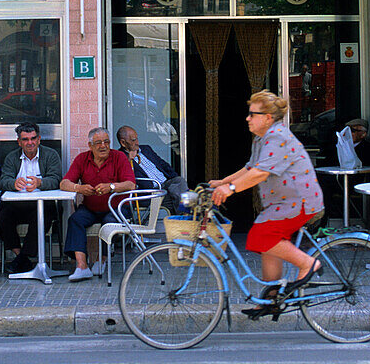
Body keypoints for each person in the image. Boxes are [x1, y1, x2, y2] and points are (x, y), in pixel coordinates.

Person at [210, 90, 326, 320]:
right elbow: (250, 168)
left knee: (261, 236)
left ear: (268, 118)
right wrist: (223, 182)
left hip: (299, 201)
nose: (247, 118)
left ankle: (309, 263)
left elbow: (260, 173)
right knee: (268, 242)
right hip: (283, 203)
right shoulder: (261, 138)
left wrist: (230, 190)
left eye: (253, 114)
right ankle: (273, 298)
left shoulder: (277, 137)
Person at [60, 127, 135, 281]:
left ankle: (102, 259)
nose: (103, 146)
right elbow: (64, 183)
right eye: (98, 143)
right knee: (75, 220)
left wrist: (111, 187)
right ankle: (82, 267)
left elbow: (130, 184)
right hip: (91, 208)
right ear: (90, 146)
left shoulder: (119, 157)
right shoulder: (82, 159)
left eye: (106, 142)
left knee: (109, 223)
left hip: (117, 208)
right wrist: (79, 188)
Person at [0, 122, 63, 274]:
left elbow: (57, 179)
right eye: (25, 139)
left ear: (39, 139)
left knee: (42, 216)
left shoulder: (51, 155)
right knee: (2, 215)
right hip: (18, 205)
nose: (30, 143)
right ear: (19, 142)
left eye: (33, 138)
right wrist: (13, 183)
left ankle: (22, 258)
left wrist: (41, 182)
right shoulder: (11, 157)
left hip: (43, 204)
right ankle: (21, 257)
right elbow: (3, 180)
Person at [116, 125, 189, 213]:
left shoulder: (146, 149)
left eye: (137, 139)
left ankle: (184, 214)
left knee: (179, 181)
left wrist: (173, 177)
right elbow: (122, 176)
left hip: (167, 184)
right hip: (151, 192)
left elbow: (163, 164)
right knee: (176, 198)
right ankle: (184, 217)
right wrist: (128, 160)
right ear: (123, 143)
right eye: (133, 140)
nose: (137, 143)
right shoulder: (119, 157)